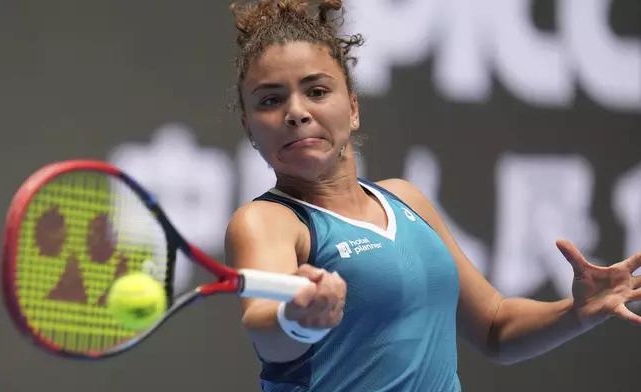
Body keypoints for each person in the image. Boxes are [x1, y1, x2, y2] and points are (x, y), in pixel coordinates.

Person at [223, 1, 641, 391]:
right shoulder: (266, 221)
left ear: (352, 107)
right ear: (249, 128)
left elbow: (495, 327)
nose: (296, 111)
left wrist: (576, 314)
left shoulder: (406, 200)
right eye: (271, 100)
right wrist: (297, 317)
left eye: (316, 91)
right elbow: (266, 327)